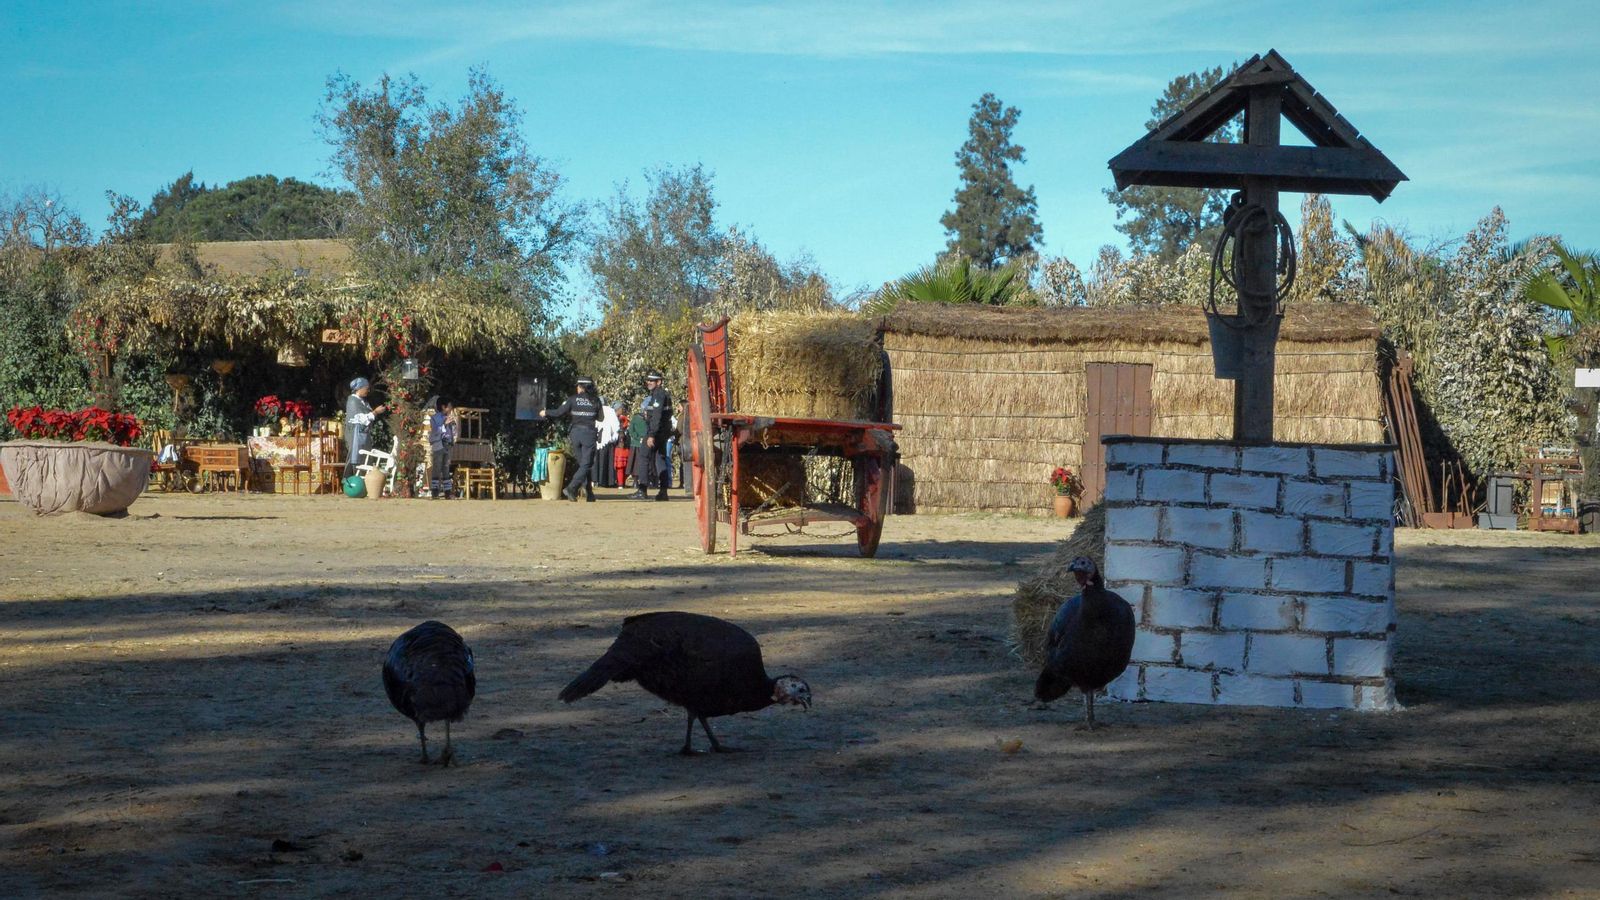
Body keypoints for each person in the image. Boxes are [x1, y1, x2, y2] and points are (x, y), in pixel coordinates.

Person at [540, 376, 601, 501]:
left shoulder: (572, 399)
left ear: (581, 387)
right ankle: (571, 488)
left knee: (583, 464)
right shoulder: (596, 400)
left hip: (575, 434)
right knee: (586, 464)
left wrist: (545, 412)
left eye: (578, 386)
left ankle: (589, 493)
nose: (577, 388)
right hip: (588, 434)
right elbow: (601, 418)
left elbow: (559, 412)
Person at [640, 369, 674, 501]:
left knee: (644, 456)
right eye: (648, 380)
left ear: (658, 382)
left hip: (656, 432)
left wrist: (651, 435)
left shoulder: (658, 394)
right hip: (662, 432)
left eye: (652, 380)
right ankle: (663, 491)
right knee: (660, 460)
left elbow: (656, 416)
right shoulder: (662, 394)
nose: (648, 382)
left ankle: (642, 489)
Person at [344, 377, 388, 470]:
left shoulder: (363, 401)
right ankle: (353, 477)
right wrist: (375, 412)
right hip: (356, 436)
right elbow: (359, 418)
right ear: (359, 388)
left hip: (363, 436)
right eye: (366, 388)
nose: (368, 390)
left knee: (365, 459)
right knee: (356, 458)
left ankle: (363, 476)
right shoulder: (353, 401)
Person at [428, 398, 458, 498]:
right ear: (443, 407)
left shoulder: (450, 417)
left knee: (446, 468)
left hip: (447, 445)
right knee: (437, 467)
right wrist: (444, 423)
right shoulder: (434, 418)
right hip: (438, 445)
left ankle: (447, 493)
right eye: (449, 406)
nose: (451, 408)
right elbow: (435, 431)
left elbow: (453, 432)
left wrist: (454, 425)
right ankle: (435, 492)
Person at [596, 400, 622, 488]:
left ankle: (596, 480)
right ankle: (607, 481)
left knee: (597, 461)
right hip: (607, 440)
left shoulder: (596, 409)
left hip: (598, 440)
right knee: (607, 462)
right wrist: (613, 438)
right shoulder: (610, 411)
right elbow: (616, 427)